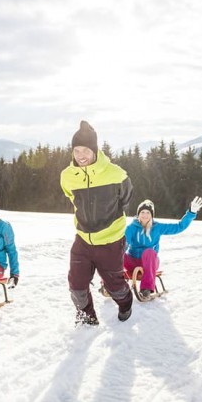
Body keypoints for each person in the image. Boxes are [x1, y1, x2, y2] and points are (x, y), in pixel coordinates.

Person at [60, 120, 134, 325]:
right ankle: (87, 318)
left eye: (86, 150)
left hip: (110, 241)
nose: (81, 155)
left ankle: (126, 304)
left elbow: (126, 199)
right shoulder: (67, 176)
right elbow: (72, 198)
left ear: (95, 150)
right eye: (76, 150)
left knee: (114, 286)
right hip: (83, 239)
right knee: (76, 285)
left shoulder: (116, 174)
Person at [124, 196, 202, 298]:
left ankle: (146, 289)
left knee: (149, 252)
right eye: (142, 212)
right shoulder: (131, 228)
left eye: (148, 212)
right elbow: (124, 243)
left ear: (152, 215)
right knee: (117, 252)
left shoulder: (157, 227)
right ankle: (112, 284)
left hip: (150, 262)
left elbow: (179, 227)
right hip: (132, 262)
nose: (145, 215)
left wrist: (191, 213)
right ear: (138, 214)